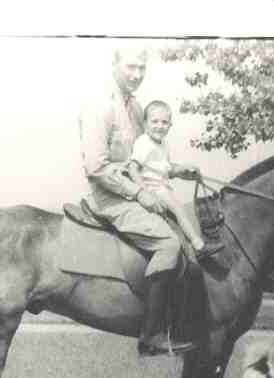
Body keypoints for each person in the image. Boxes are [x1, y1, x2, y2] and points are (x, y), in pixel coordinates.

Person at [78, 44, 195, 357]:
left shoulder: (136, 108)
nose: (137, 74)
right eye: (131, 66)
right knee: (169, 244)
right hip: (109, 197)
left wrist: (180, 170)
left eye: (142, 68)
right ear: (114, 63)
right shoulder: (100, 106)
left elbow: (150, 157)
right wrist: (139, 193)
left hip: (135, 190)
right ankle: (152, 334)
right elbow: (96, 167)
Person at [127, 100, 224, 260]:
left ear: (170, 125)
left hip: (162, 186)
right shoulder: (143, 143)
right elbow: (133, 168)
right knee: (180, 211)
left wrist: (184, 170)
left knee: (184, 211)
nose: (159, 126)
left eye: (164, 122)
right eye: (155, 121)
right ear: (145, 124)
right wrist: (144, 191)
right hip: (153, 188)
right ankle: (198, 245)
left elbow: (167, 168)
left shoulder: (163, 144)